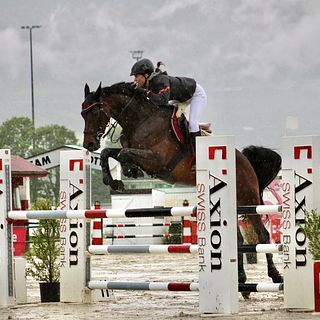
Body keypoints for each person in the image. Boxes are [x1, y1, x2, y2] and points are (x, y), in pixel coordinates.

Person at [130, 58, 207, 156]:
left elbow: (162, 100)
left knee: (193, 123)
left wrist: (145, 92)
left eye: (136, 76)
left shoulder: (160, 80)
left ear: (146, 75)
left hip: (196, 95)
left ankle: (197, 154)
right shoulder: (150, 83)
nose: (135, 80)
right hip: (182, 98)